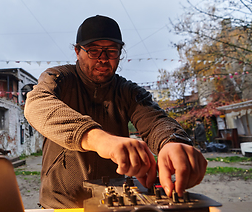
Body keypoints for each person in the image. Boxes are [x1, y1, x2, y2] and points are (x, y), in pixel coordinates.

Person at [24, 15, 207, 209]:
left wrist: (172, 142)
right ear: (77, 51)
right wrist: (101, 140)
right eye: (94, 51)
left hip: (112, 203)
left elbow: (155, 120)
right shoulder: (59, 78)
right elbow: (36, 104)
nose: (103, 58)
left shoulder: (128, 91)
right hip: (61, 205)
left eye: (111, 51)